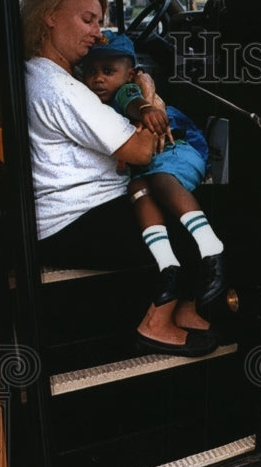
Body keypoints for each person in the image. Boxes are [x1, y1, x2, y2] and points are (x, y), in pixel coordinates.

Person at [21, 0, 217, 357]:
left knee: (189, 206)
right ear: (49, 16)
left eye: (98, 22)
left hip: (70, 209)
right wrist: (150, 96)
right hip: (74, 220)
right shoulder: (60, 89)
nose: (97, 33)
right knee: (195, 219)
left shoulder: (39, 72)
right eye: (87, 19)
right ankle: (155, 325)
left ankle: (186, 309)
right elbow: (142, 151)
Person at [80, 31, 226, 320]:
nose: (98, 79)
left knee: (160, 180)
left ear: (130, 73)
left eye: (108, 71)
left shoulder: (126, 92)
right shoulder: (90, 101)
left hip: (177, 150)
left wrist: (145, 108)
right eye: (91, 72)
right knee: (138, 189)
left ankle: (212, 248)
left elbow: (132, 100)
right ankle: (167, 265)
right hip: (146, 165)